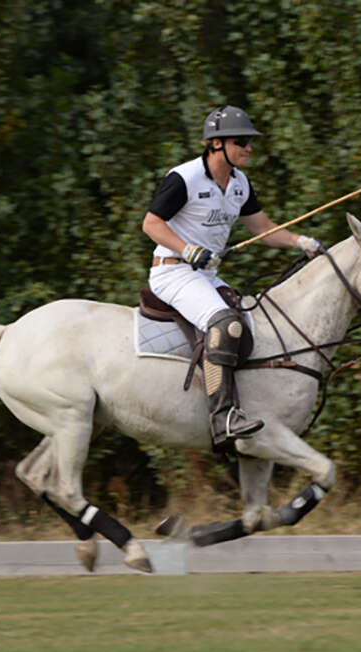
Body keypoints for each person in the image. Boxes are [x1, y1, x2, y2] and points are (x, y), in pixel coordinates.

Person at [142, 105, 322, 447]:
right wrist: (187, 248)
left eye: (250, 142)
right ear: (215, 144)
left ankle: (250, 407)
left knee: (253, 325)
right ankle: (222, 417)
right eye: (241, 141)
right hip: (173, 272)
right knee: (226, 324)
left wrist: (303, 242)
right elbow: (151, 223)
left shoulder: (240, 184)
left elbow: (264, 230)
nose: (249, 148)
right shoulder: (184, 178)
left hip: (205, 276)